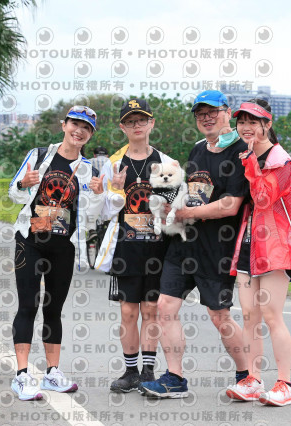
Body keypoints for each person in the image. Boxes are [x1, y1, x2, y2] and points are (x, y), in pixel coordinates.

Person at [140, 90, 250, 398]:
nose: (206, 118)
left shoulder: (241, 152)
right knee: (165, 306)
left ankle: (247, 375)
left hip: (217, 248)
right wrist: (169, 207)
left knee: (219, 315)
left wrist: (187, 213)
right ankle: (175, 377)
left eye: (212, 112)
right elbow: (190, 192)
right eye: (201, 114)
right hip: (184, 243)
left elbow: (231, 204)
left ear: (227, 112)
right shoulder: (198, 149)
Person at [7, 105, 105, 401]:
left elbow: (92, 216)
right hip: (30, 241)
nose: (79, 131)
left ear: (90, 135)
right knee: (28, 305)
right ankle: (22, 375)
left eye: (86, 128)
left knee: (53, 309)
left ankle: (52, 373)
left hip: (63, 246)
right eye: (75, 124)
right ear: (64, 125)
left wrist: (99, 194)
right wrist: (24, 184)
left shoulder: (90, 170)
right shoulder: (39, 156)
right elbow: (13, 192)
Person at [225, 99, 291, 406]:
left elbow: (262, 197)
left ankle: (285, 384)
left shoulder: (282, 162)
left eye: (253, 122)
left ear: (267, 125)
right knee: (249, 316)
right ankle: (253, 379)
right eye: (241, 122)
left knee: (271, 316)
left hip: (275, 247)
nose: (246, 127)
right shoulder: (246, 155)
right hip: (248, 245)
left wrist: (248, 161)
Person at [94, 98, 177, 392]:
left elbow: (175, 210)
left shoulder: (167, 164)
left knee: (151, 310)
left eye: (141, 120)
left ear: (152, 123)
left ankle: (148, 371)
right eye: (130, 121)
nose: (136, 125)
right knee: (128, 312)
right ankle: (130, 372)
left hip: (157, 248)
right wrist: (113, 191)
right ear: (122, 127)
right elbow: (102, 214)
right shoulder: (113, 164)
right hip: (126, 247)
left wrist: (170, 209)